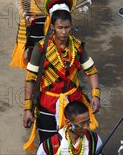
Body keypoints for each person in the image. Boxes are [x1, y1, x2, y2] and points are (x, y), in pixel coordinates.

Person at [23, 8, 101, 147]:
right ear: (52, 27)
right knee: (49, 144)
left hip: (73, 104)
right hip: (47, 104)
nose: (64, 32)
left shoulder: (77, 46)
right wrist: (27, 109)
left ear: (71, 26)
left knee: (74, 142)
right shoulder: (41, 49)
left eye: (67, 27)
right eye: (60, 28)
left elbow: (91, 70)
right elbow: (30, 79)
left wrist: (96, 95)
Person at [36, 101, 102, 155]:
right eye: (82, 123)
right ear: (68, 123)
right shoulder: (50, 144)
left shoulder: (94, 139)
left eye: (88, 122)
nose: (86, 127)